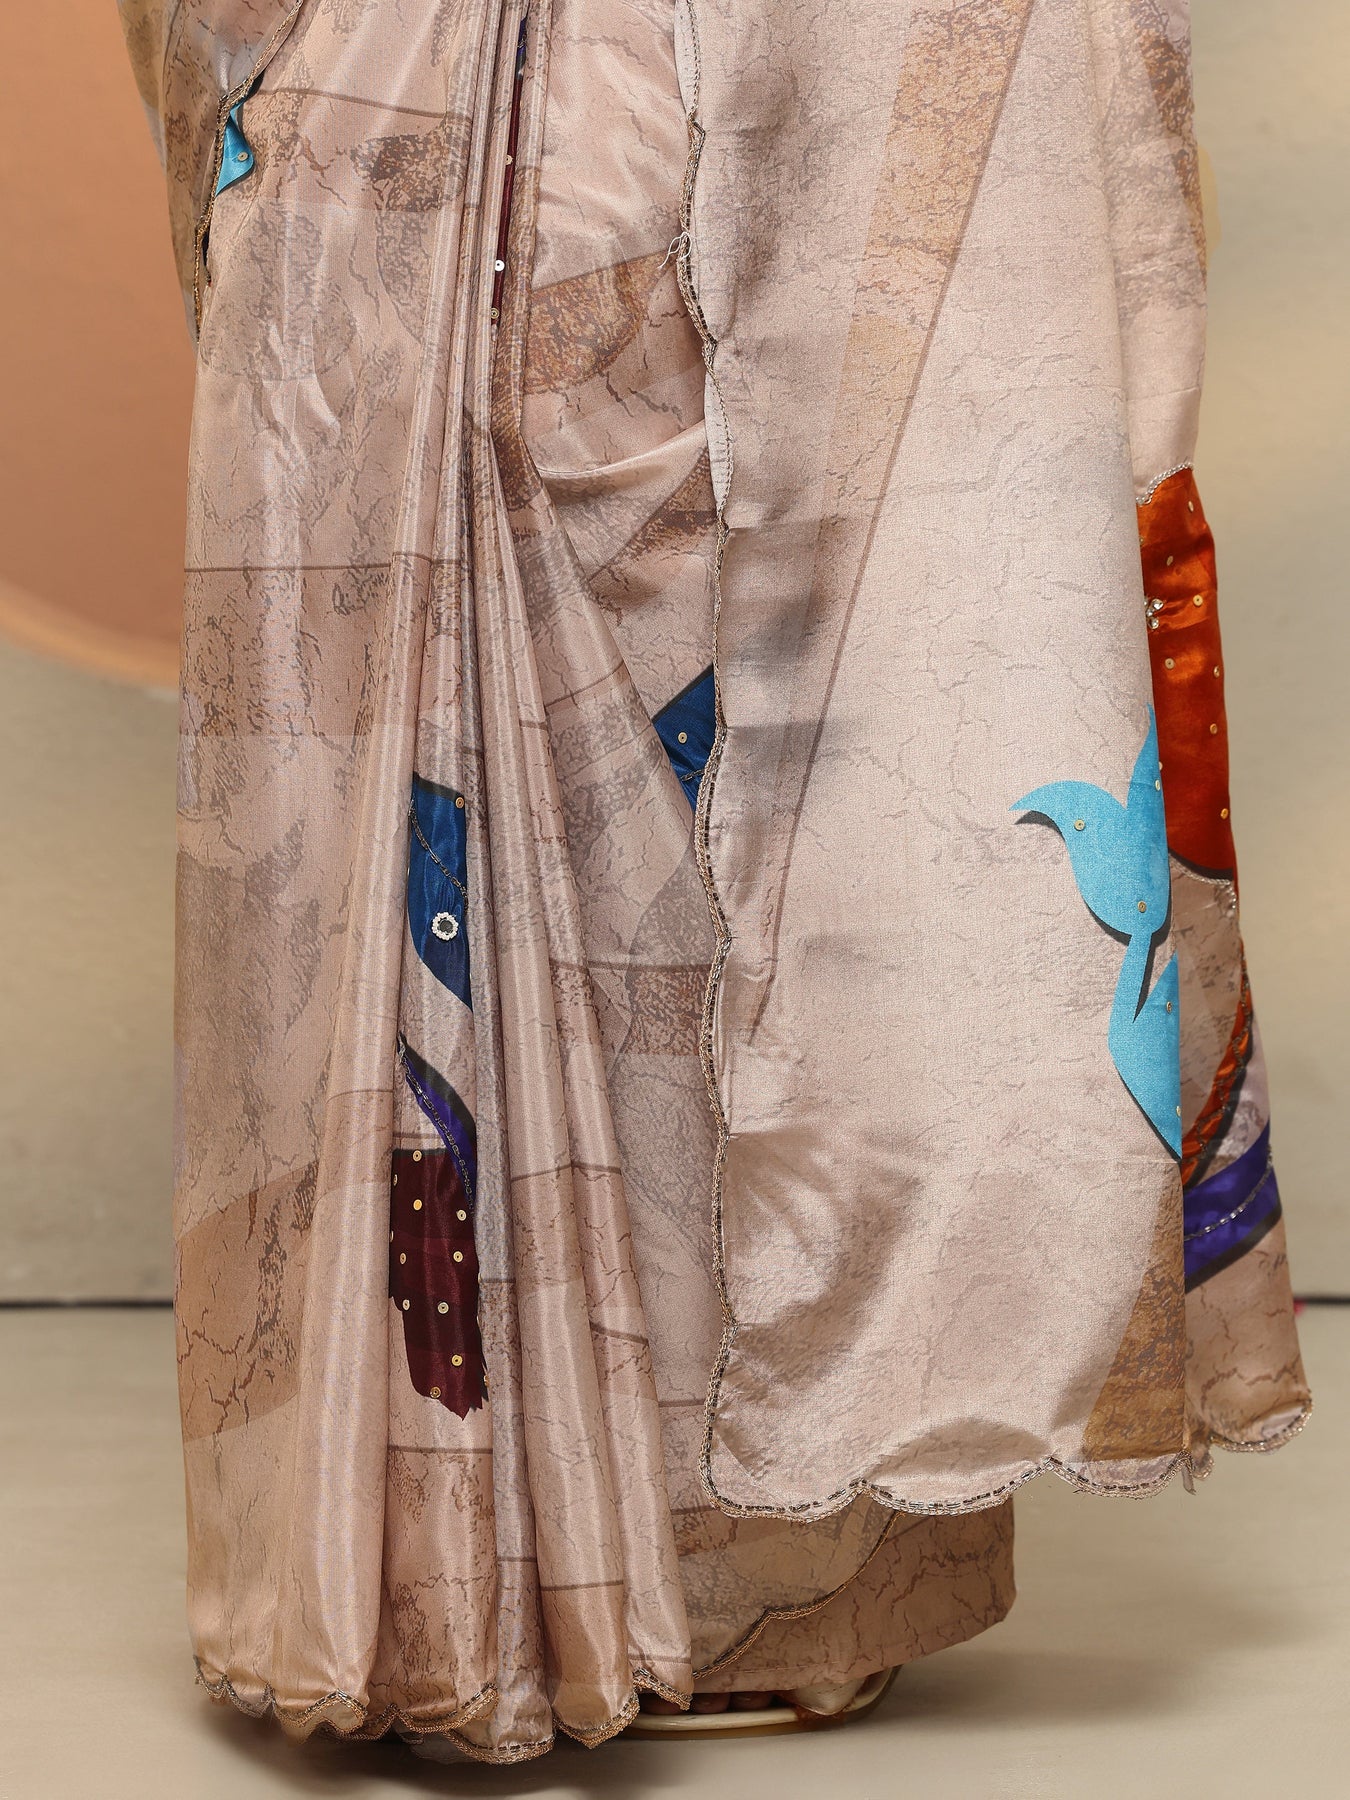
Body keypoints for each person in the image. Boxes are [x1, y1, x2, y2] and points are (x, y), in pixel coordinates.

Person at [120, 0, 1308, 1756]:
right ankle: (712, 1581)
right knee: (758, 811)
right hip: (551, 134)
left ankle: (613, 1565)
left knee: (781, 831)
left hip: (474, 119)